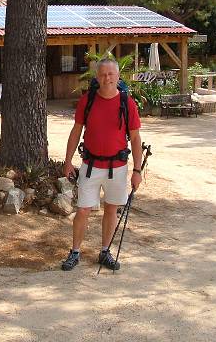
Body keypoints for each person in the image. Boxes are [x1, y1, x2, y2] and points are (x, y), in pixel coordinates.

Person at [62, 58, 143, 271]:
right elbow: (76, 131)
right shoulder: (87, 100)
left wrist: (137, 170)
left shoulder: (128, 103)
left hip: (117, 167)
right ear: (97, 78)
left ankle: (105, 251)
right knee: (82, 211)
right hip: (90, 166)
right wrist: (68, 161)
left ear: (118, 77)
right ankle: (75, 252)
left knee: (111, 210)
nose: (107, 78)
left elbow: (135, 139)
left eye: (111, 74)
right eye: (103, 74)